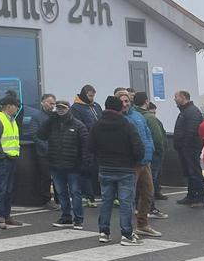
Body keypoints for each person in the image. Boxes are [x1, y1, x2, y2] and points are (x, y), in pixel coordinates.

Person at [90, 95, 144, 244]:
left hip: (105, 168)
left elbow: (90, 147)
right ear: (119, 108)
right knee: (126, 202)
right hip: (125, 168)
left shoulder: (97, 125)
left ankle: (104, 232)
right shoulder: (127, 125)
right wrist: (135, 161)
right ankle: (126, 234)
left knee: (106, 200)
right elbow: (138, 148)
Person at [116, 89, 158, 237]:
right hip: (131, 163)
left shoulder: (138, 115)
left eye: (127, 101)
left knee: (148, 193)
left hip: (145, 161)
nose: (125, 104)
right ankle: (128, 229)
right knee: (129, 197)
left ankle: (142, 224)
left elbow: (147, 133)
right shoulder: (118, 119)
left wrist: (151, 149)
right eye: (122, 101)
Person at [39, 99, 87, 228]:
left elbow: (85, 145)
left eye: (63, 108)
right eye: (58, 108)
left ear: (68, 109)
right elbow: (41, 135)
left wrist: (84, 164)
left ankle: (78, 219)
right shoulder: (52, 124)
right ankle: (66, 217)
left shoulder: (78, 125)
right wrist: (50, 120)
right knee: (61, 193)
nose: (60, 110)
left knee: (75, 192)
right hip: (56, 164)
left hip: (73, 165)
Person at [0, 95, 23, 229]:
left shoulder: (11, 120)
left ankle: (7, 216)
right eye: (15, 106)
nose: (17, 108)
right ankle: (0, 217)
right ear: (9, 106)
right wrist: (2, 156)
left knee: (8, 189)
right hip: (2, 160)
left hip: (11, 158)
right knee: (1, 189)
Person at [133, 93, 169, 223]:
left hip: (137, 155)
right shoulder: (149, 117)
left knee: (138, 184)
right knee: (149, 185)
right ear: (146, 102)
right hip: (151, 155)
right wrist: (160, 151)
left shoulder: (133, 116)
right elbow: (157, 138)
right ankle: (150, 209)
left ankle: (138, 207)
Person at [173, 90, 204, 208]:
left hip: (190, 148)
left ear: (183, 97)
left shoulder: (192, 112)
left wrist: (185, 146)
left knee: (194, 173)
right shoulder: (186, 111)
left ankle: (200, 198)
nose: (175, 99)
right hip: (185, 148)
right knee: (189, 173)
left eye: (176, 97)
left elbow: (191, 131)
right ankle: (191, 195)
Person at [72, 85, 102, 207]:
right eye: (90, 96)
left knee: (98, 169)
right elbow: (79, 125)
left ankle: (98, 192)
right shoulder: (76, 108)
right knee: (87, 169)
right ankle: (89, 196)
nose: (92, 98)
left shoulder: (96, 106)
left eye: (93, 96)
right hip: (86, 142)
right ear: (84, 94)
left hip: (99, 141)